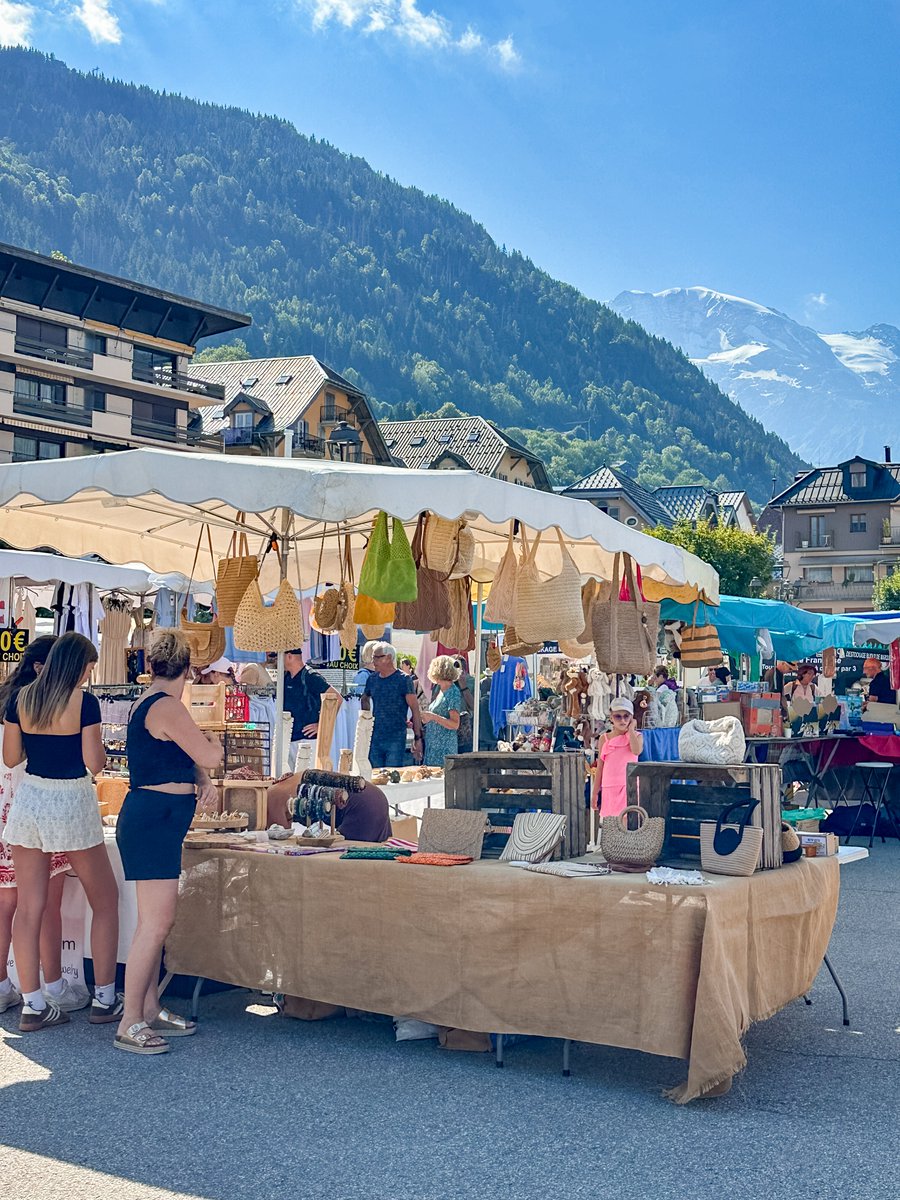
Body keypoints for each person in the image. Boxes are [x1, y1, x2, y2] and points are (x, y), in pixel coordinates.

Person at [2, 632, 119, 1033]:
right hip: (71, 800)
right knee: (104, 899)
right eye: (89, 667)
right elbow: (94, 762)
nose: (90, 674)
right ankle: (105, 997)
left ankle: (33, 1004)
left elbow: (11, 757)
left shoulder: (22, 699)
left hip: (31, 799)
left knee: (29, 905)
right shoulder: (84, 702)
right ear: (79, 666)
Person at [115, 629, 223, 1055]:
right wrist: (210, 750)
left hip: (155, 818)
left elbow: (178, 758)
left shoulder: (153, 704)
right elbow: (209, 753)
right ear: (188, 667)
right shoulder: (168, 707)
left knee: (156, 923)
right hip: (153, 821)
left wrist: (200, 778)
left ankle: (150, 1006)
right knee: (155, 923)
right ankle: (130, 1020)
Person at [0, 637, 84, 1017]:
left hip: (8, 810)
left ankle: (6, 986)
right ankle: (51, 986)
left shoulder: (10, 702)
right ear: (41, 669)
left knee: (8, 904)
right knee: (44, 903)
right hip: (35, 807)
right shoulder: (38, 705)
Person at [266, 774, 391, 842]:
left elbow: (281, 842)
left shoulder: (269, 799)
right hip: (373, 795)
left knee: (353, 862)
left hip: (363, 806)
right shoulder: (283, 784)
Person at [361, 643, 422, 768]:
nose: (374, 661)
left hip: (395, 738)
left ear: (389, 657)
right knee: (375, 777)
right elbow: (364, 698)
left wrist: (418, 738)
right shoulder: (372, 679)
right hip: (375, 737)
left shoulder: (404, 680)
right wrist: (366, 720)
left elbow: (415, 709)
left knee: (392, 776)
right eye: (373, 657)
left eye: (377, 657)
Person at [283, 648, 342, 771]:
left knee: (308, 780)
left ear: (289, 656)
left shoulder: (310, 676)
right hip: (290, 738)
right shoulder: (286, 677)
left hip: (307, 740)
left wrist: (321, 724)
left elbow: (337, 698)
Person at [590, 697, 643, 820]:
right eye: (618, 716)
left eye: (626, 716)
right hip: (609, 788)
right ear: (611, 717)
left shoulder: (637, 736)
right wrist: (595, 792)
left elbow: (636, 751)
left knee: (628, 823)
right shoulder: (604, 738)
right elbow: (600, 768)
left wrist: (631, 730)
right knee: (611, 827)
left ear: (632, 717)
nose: (622, 720)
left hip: (629, 787)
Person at [420, 656, 464, 767]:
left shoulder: (453, 692)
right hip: (433, 745)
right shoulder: (441, 691)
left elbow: (455, 724)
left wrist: (432, 717)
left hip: (444, 747)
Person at [453, 657, 475, 754]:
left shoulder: (471, 681)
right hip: (447, 726)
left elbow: (474, 706)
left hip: (465, 726)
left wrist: (463, 686)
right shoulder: (444, 683)